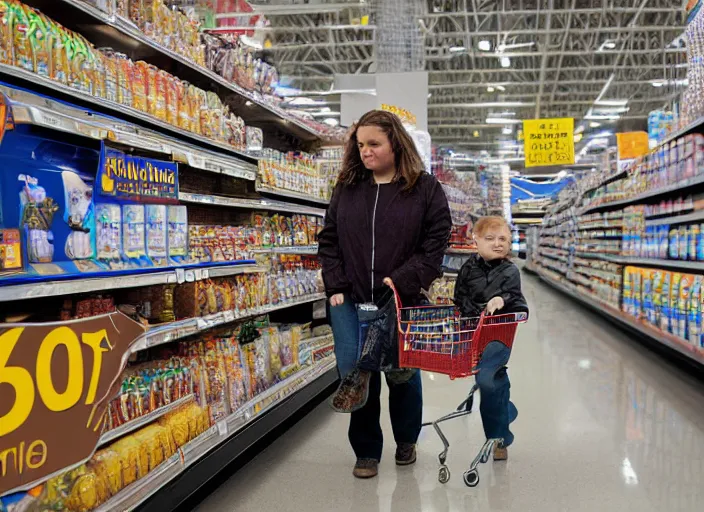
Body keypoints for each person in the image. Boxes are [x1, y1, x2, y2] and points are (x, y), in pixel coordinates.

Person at [318, 110, 452, 479]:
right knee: (357, 372)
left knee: (402, 373)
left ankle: (406, 439)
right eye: (360, 144)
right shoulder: (348, 187)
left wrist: (403, 280)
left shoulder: (425, 189)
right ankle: (366, 451)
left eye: (374, 143)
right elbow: (329, 240)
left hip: (400, 299)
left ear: (396, 142)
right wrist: (336, 284)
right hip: (351, 298)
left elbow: (434, 246)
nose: (366, 151)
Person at [453, 216, 529, 461]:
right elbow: (460, 297)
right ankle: (505, 410)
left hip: (498, 335)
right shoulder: (467, 268)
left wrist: (502, 300)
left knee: (486, 379)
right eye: (490, 239)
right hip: (474, 334)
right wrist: (471, 312)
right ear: (475, 240)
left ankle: (498, 439)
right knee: (490, 382)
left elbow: (517, 299)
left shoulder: (510, 270)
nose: (498, 244)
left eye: (503, 239)